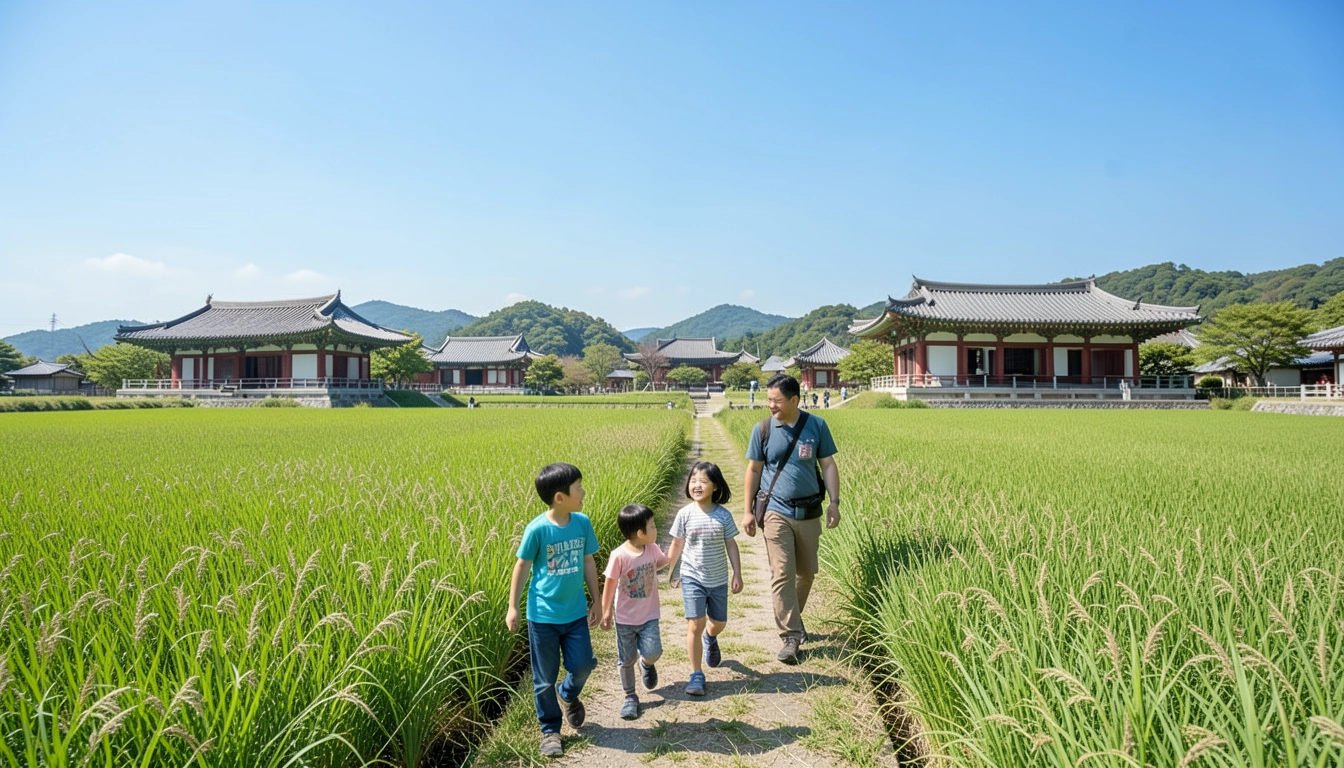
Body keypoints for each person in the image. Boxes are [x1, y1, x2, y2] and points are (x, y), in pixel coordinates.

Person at [741, 374, 840, 665]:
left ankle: (791, 621)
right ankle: (791, 635)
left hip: (809, 511)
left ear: (794, 400)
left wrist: (834, 502)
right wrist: (747, 510)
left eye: (777, 400)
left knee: (807, 573)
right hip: (776, 510)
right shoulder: (762, 430)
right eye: (768, 399)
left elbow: (828, 464)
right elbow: (754, 471)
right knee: (782, 572)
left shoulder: (817, 426)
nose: (770, 405)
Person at [505, 463, 602, 757]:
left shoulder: (582, 523)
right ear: (560, 497)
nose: (583, 492)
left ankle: (568, 693)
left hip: (574, 614)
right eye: (578, 488)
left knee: (584, 664)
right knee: (544, 677)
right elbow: (521, 567)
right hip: (543, 616)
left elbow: (588, 561)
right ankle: (550, 731)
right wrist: (513, 607)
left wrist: (596, 600)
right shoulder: (537, 529)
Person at [665, 462, 742, 697]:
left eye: (703, 481)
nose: (697, 485)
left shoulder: (723, 516)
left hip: (718, 578)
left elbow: (731, 543)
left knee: (719, 623)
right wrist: (668, 570)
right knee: (694, 624)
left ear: (715, 486)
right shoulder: (684, 514)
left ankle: (711, 637)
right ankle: (696, 674)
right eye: (693, 480)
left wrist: (737, 573)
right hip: (692, 577)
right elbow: (676, 544)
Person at [600, 503, 672, 720]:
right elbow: (610, 584)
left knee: (653, 652)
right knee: (626, 658)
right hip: (625, 619)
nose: (656, 529)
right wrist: (605, 612)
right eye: (652, 526)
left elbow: (660, 563)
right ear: (640, 533)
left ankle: (647, 665)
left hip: (649, 615)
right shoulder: (619, 556)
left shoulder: (651, 548)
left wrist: (676, 547)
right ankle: (630, 696)